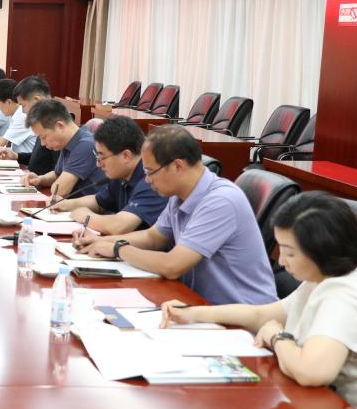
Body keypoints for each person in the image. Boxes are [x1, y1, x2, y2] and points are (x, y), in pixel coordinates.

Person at [160, 193, 357, 409]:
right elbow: (260, 314)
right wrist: (192, 313)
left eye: (290, 253)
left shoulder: (346, 295)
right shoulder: (321, 280)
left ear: (322, 249)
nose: (282, 262)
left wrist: (278, 337)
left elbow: (311, 372)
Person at [78, 125, 277, 305]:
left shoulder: (221, 201)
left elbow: (173, 266)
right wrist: (101, 242)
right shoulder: (179, 195)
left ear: (177, 166)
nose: (147, 180)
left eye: (150, 172)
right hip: (197, 303)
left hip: (239, 316)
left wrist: (118, 249)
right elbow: (153, 237)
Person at [50, 116, 167, 235]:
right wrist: (66, 204)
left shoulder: (151, 180)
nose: (98, 164)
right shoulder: (121, 173)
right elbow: (99, 202)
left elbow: (118, 226)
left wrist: (86, 216)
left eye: (102, 157)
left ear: (126, 155)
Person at [25, 99, 104, 197]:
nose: (42, 143)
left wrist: (55, 184)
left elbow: (59, 190)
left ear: (60, 126)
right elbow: (57, 174)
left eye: (43, 137)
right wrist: (40, 179)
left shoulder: (86, 145)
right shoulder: (69, 141)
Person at [0, 76, 55, 175]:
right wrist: (16, 156)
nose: (23, 111)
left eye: (23, 105)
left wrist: (40, 180)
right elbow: (39, 157)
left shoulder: (55, 125)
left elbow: (58, 171)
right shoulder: (42, 120)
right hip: (30, 176)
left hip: (40, 181)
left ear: (37, 100)